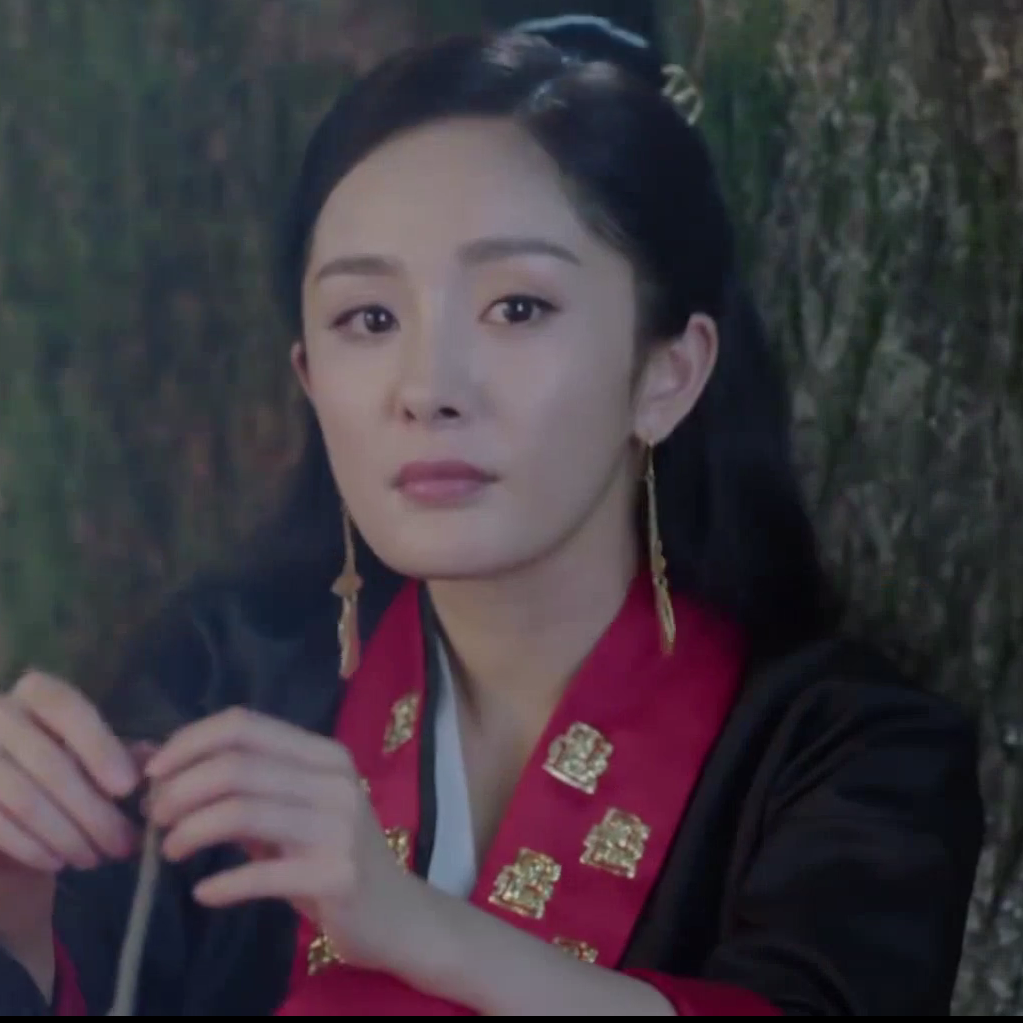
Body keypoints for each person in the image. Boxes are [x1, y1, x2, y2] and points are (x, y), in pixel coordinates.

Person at [0, 16, 983, 1017]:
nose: (428, 388)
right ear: (310, 378)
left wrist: (413, 926)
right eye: (368, 319)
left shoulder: (848, 758)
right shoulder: (224, 682)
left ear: (667, 373)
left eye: (517, 308)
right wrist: (18, 920)